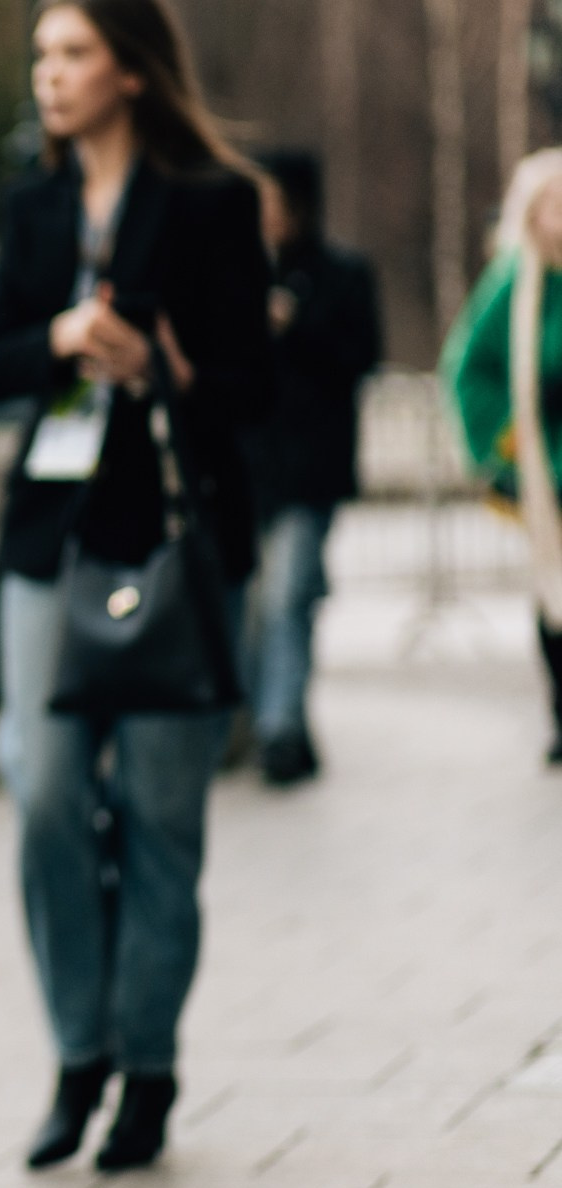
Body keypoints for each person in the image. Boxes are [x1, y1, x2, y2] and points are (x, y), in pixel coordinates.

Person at [0, 0, 270, 1173]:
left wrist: (163, 370)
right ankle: (75, 1050)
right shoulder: (33, 206)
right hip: (51, 540)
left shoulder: (213, 203)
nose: (50, 75)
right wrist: (56, 338)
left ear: (132, 71)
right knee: (43, 793)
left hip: (177, 544)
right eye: (42, 54)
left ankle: (146, 1067)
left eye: (74, 54)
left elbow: (254, 388)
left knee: (159, 817)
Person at [241, 150, 382, 787]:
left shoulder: (340, 273)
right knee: (258, 603)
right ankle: (274, 722)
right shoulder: (236, 274)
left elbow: (361, 356)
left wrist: (296, 326)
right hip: (248, 468)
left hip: (308, 468)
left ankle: (279, 728)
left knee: (286, 598)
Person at [443, 148, 562, 764]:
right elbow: (469, 370)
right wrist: (503, 445)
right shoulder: (515, 285)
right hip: (548, 466)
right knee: (556, 591)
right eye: (554, 204)